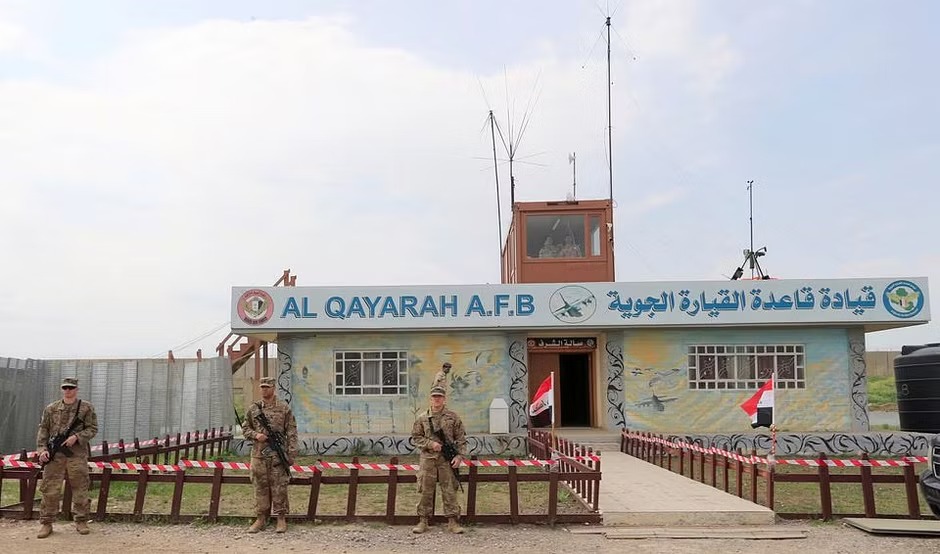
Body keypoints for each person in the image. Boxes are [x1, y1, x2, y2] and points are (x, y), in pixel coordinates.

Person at [35, 377, 98, 539]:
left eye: (71, 388)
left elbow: (92, 428)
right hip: (55, 455)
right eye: (65, 388)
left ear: (76, 389)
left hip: (76, 454)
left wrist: (77, 437)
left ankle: (81, 520)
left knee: (80, 487)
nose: (68, 391)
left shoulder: (86, 408)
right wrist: (42, 450)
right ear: (62, 389)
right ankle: (46, 523)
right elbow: (43, 430)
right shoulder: (51, 408)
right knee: (50, 488)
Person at [242, 377, 298, 534]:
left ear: (274, 388)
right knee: (260, 486)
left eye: (267, 387)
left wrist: (291, 453)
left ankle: (281, 518)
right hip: (259, 455)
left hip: (277, 456)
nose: (264, 389)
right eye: (262, 387)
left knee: (279, 486)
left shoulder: (283, 408)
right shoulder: (254, 409)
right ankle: (260, 519)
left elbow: (291, 431)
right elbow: (245, 428)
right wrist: (256, 435)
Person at [410, 386, 468, 534]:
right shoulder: (422, 418)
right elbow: (416, 438)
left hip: (446, 460)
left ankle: (452, 522)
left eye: (440, 396)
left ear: (444, 399)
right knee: (425, 490)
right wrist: (430, 444)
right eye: (434, 396)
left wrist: (459, 456)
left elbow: (461, 439)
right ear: (430, 398)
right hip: (428, 459)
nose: (437, 399)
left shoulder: (453, 417)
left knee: (449, 490)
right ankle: (423, 521)